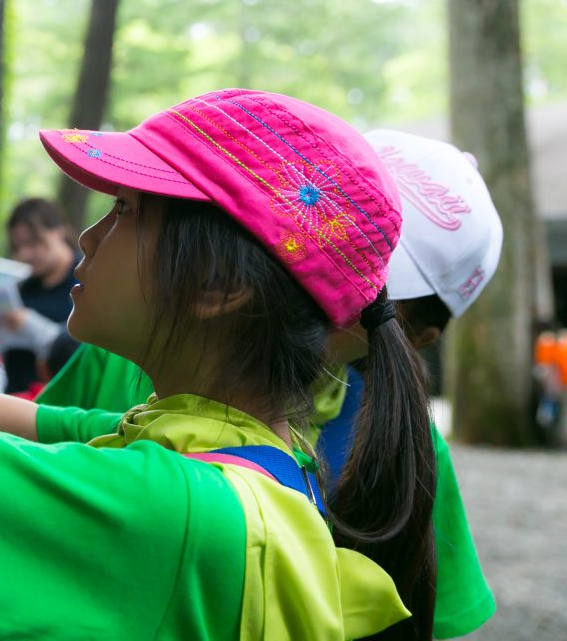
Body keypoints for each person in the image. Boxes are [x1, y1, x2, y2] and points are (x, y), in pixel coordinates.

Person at [0, 46, 435, 639]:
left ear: (219, 287)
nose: (89, 238)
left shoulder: (179, 504)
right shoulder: (218, 453)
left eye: (125, 210)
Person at [37, 128, 504, 639]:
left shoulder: (404, 445)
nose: (314, 287)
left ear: (413, 334)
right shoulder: (115, 348)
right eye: (301, 256)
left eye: (371, 293)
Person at [0, 197, 80, 394]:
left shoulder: (87, 280)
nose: (25, 254)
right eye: (17, 247)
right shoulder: (23, 289)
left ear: (59, 231)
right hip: (18, 397)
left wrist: (36, 327)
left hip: (68, 401)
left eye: (34, 242)